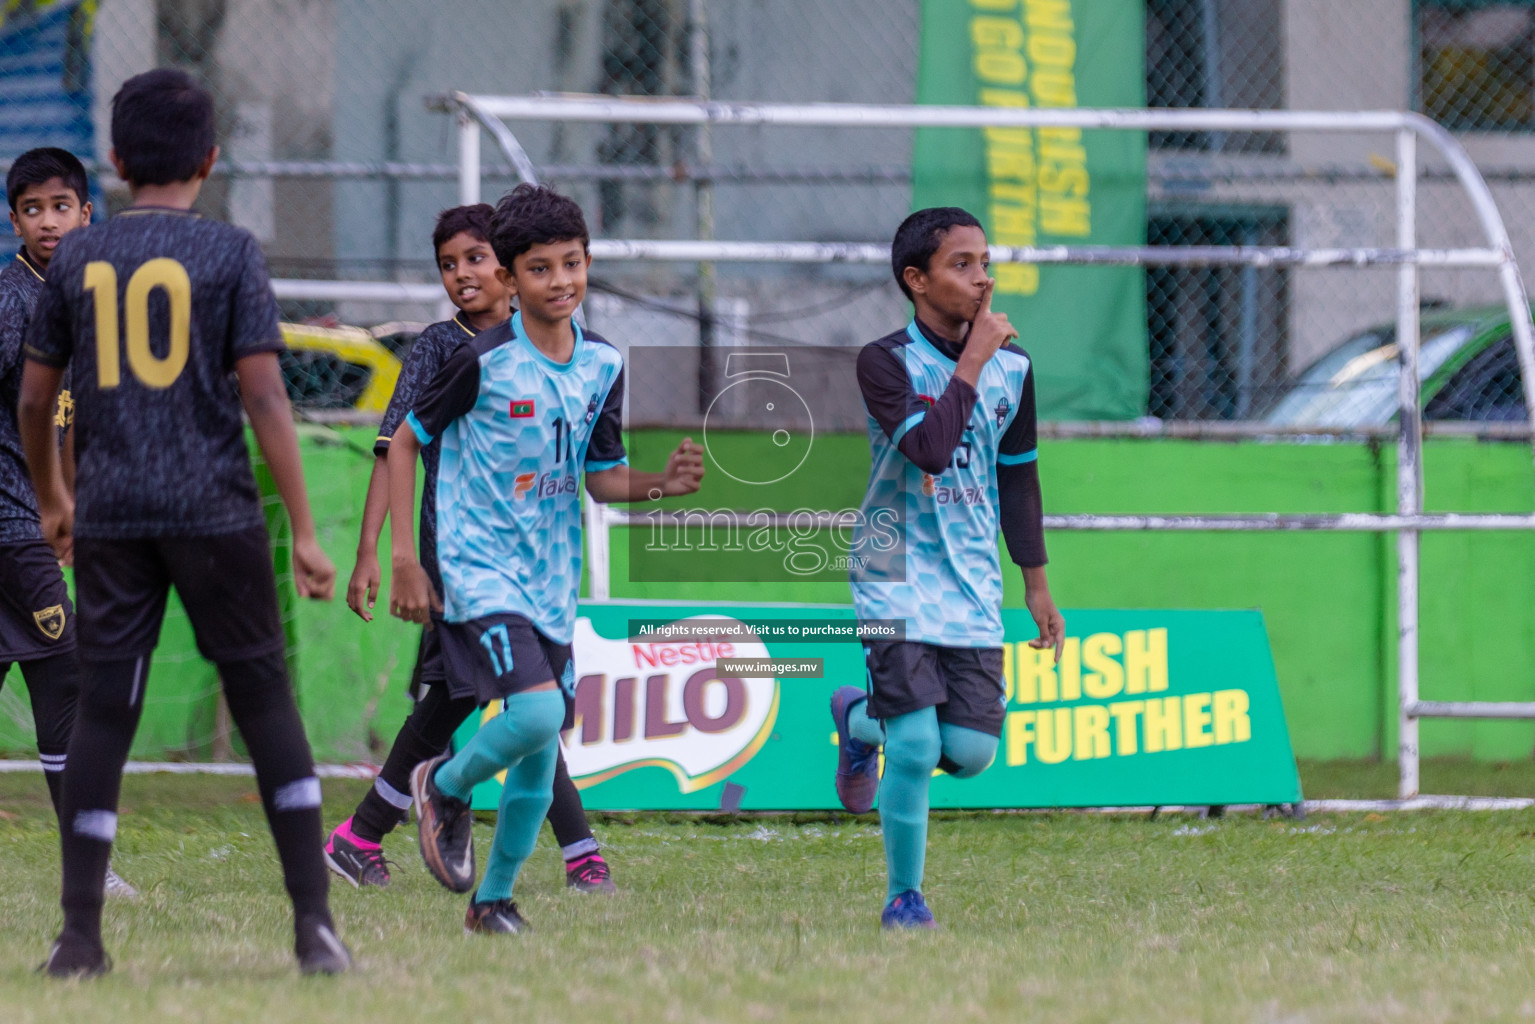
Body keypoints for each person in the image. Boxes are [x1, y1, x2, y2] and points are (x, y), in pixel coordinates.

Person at [20, 68, 349, 976]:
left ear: (116, 163)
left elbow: (35, 395)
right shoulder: (233, 252)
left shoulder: (80, 260)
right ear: (211, 158)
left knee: (105, 717)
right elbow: (266, 397)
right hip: (215, 512)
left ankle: (78, 937)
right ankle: (314, 929)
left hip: (114, 517)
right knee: (265, 700)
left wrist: (55, 498)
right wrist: (309, 531)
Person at [392, 183, 702, 934]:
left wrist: (658, 485)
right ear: (509, 276)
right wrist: (405, 556)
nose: (560, 281)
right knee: (536, 711)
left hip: (550, 577)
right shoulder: (481, 362)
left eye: (572, 263)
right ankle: (446, 783)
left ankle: (492, 902)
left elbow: (600, 475)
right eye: (539, 269)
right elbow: (405, 441)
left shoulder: (600, 363)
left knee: (540, 746)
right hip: (478, 569)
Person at [325, 203, 617, 893]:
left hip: (533, 567)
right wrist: (380, 554)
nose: (462, 275)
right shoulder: (440, 346)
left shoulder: (566, 348)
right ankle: (578, 852)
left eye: (476, 259)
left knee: (469, 702)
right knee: (498, 700)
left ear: (509, 269)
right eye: (448, 264)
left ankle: (361, 834)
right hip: (459, 560)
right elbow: (392, 447)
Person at [830, 207, 1065, 929]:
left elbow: (1018, 478)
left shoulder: (1014, 368)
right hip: (890, 567)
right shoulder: (883, 361)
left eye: (984, 261)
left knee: (967, 753)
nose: (982, 278)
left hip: (968, 578)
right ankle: (905, 898)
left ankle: (854, 718)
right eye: (961, 264)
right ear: (916, 280)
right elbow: (929, 449)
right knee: (919, 741)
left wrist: (1035, 583)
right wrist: (972, 361)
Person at [1, 147, 137, 899]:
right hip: (11, 524)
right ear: (14, 220)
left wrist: (80, 506)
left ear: (88, 213)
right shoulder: (11, 303)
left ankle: (86, 861)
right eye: (32, 209)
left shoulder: (88, 300)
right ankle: (89, 866)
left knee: (61, 679)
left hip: (34, 522)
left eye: (61, 206)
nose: (48, 222)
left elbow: (68, 418)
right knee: (69, 673)